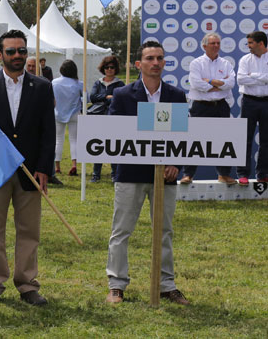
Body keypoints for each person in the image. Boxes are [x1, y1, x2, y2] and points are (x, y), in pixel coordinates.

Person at [0, 29, 55, 306]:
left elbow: (48, 131)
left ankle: (28, 284)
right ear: (0, 54)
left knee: (29, 229)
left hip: (30, 170)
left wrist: (44, 168)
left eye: (22, 50)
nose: (17, 56)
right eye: (11, 51)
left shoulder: (42, 87)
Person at [105, 41, 190, 306]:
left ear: (164, 63)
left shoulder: (176, 95)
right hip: (130, 173)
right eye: (150, 58)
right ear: (138, 64)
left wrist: (176, 163)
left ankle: (167, 285)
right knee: (121, 231)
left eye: (160, 58)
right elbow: (113, 134)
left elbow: (184, 135)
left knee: (164, 231)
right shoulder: (122, 95)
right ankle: (116, 285)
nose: (156, 63)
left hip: (166, 176)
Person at [182, 33, 236, 185]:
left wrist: (210, 82)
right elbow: (197, 84)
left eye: (218, 43)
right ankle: (188, 174)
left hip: (221, 106)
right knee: (194, 140)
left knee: (224, 140)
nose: (216, 46)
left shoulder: (225, 63)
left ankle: (224, 174)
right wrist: (219, 85)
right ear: (204, 46)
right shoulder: (196, 63)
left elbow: (230, 84)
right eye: (213, 43)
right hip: (201, 106)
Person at [236, 30, 268, 186]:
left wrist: (252, 76)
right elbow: (241, 79)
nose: (248, 46)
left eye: (250, 43)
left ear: (261, 43)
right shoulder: (244, 59)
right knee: (245, 138)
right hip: (249, 102)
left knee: (266, 140)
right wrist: (262, 78)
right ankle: (242, 174)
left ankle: (262, 173)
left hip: (267, 102)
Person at [89, 55, 125, 182]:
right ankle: (96, 174)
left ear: (115, 69)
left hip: (113, 118)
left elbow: (120, 98)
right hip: (98, 117)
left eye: (112, 67)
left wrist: (105, 98)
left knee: (114, 145)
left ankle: (115, 174)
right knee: (98, 145)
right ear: (103, 68)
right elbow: (92, 97)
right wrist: (107, 97)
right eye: (107, 67)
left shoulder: (120, 83)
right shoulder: (98, 82)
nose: (109, 69)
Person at [52, 60, 84, 180]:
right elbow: (87, 97)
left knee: (58, 140)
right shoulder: (79, 83)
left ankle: (57, 166)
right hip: (74, 113)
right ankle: (74, 164)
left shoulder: (54, 82)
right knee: (74, 140)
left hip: (58, 113)